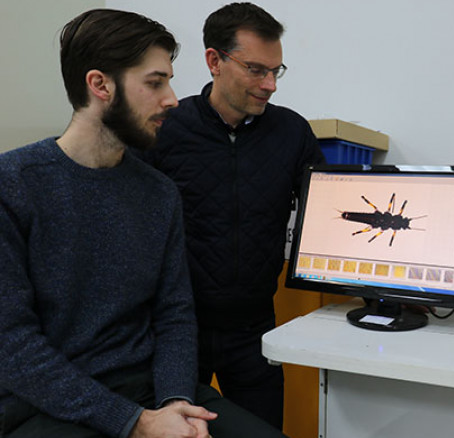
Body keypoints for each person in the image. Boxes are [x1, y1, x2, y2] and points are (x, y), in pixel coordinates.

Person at [0, 9, 285, 438]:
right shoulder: (14, 184)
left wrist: (175, 404)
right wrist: (135, 423)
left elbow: (174, 313)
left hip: (153, 391)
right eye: (155, 83)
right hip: (48, 404)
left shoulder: (159, 193)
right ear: (100, 85)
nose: (172, 98)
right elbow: (12, 345)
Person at [143, 2, 325, 430]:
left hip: (254, 329)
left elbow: (328, 213)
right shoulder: (164, 129)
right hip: (177, 334)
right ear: (214, 61)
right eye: (256, 70)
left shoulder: (293, 132)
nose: (270, 85)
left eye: (276, 71)